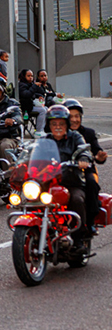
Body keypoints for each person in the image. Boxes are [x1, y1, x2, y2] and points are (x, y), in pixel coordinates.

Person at [44, 105, 93, 246]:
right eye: (54, 124)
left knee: (77, 200)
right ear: (49, 125)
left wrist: (83, 158)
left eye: (61, 124)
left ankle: (79, 239)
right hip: (48, 183)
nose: (58, 127)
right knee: (32, 200)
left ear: (66, 124)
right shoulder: (44, 140)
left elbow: (84, 150)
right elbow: (32, 152)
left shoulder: (75, 137)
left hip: (71, 182)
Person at [65, 98, 105, 233]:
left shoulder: (88, 133)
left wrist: (99, 156)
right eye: (71, 116)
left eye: (77, 116)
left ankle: (90, 221)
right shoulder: (58, 133)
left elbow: (97, 152)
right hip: (62, 171)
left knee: (91, 183)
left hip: (84, 171)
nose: (74, 120)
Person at [17, 69, 48, 136]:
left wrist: (39, 95)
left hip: (30, 105)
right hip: (25, 107)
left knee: (46, 108)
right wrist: (34, 86)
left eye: (32, 76)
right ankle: (38, 131)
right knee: (42, 110)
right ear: (24, 76)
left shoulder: (30, 84)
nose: (31, 77)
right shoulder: (22, 85)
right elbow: (26, 94)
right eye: (28, 76)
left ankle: (42, 129)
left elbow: (36, 93)